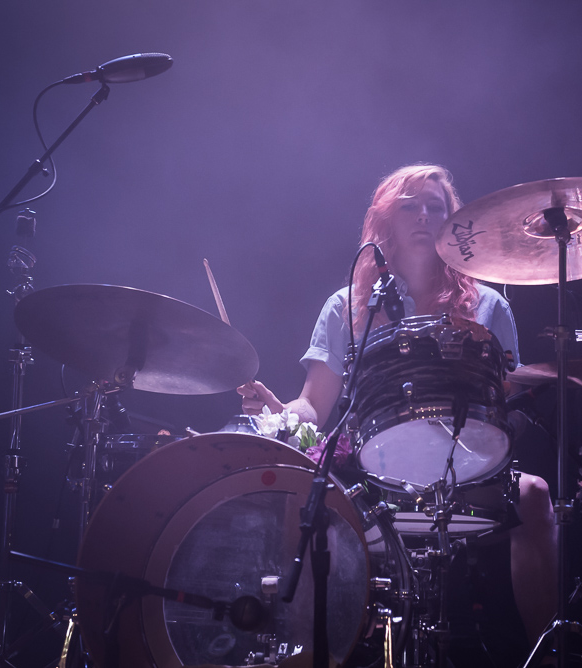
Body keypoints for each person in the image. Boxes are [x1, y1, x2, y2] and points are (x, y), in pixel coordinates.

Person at [238, 163, 557, 647]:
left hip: (466, 464)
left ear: (454, 221)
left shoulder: (489, 303)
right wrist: (277, 414)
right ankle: (304, 650)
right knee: (299, 501)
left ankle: (549, 653)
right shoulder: (347, 305)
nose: (425, 216)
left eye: (437, 207)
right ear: (385, 220)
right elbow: (313, 406)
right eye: (411, 207)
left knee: (534, 494)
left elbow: (510, 398)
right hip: (374, 470)